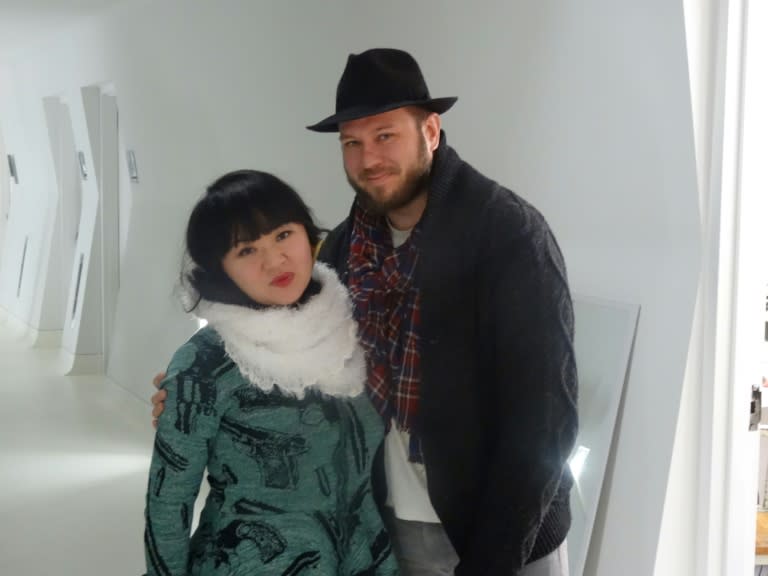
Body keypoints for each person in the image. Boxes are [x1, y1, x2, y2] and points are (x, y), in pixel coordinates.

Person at [153, 48, 578, 576]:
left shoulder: (507, 234)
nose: (367, 158)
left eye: (385, 136)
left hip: (504, 534)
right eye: (351, 143)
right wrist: (196, 397)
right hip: (391, 527)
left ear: (430, 131)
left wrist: (493, 561)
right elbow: (300, 355)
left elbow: (545, 421)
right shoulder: (344, 249)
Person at [144, 170, 398, 576]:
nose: (274, 261)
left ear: (306, 232)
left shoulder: (345, 327)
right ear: (220, 268)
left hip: (361, 558)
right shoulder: (208, 363)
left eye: (283, 235)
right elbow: (168, 501)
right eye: (246, 251)